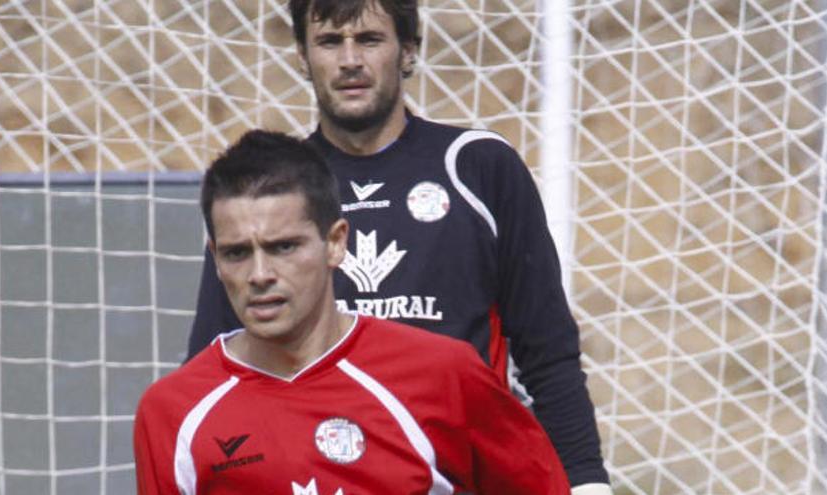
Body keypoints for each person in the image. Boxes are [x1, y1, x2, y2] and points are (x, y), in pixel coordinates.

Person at [187, 1, 611, 492]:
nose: (349, 60)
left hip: (458, 471)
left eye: (368, 39)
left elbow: (548, 349)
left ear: (408, 50)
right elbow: (214, 360)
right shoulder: (269, 191)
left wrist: (585, 481)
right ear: (303, 56)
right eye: (329, 42)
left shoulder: (476, 168)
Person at [134, 130, 571, 494]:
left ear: (336, 242)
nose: (260, 274)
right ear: (214, 258)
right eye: (236, 253)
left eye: (284, 246)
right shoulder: (174, 412)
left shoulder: (444, 375)